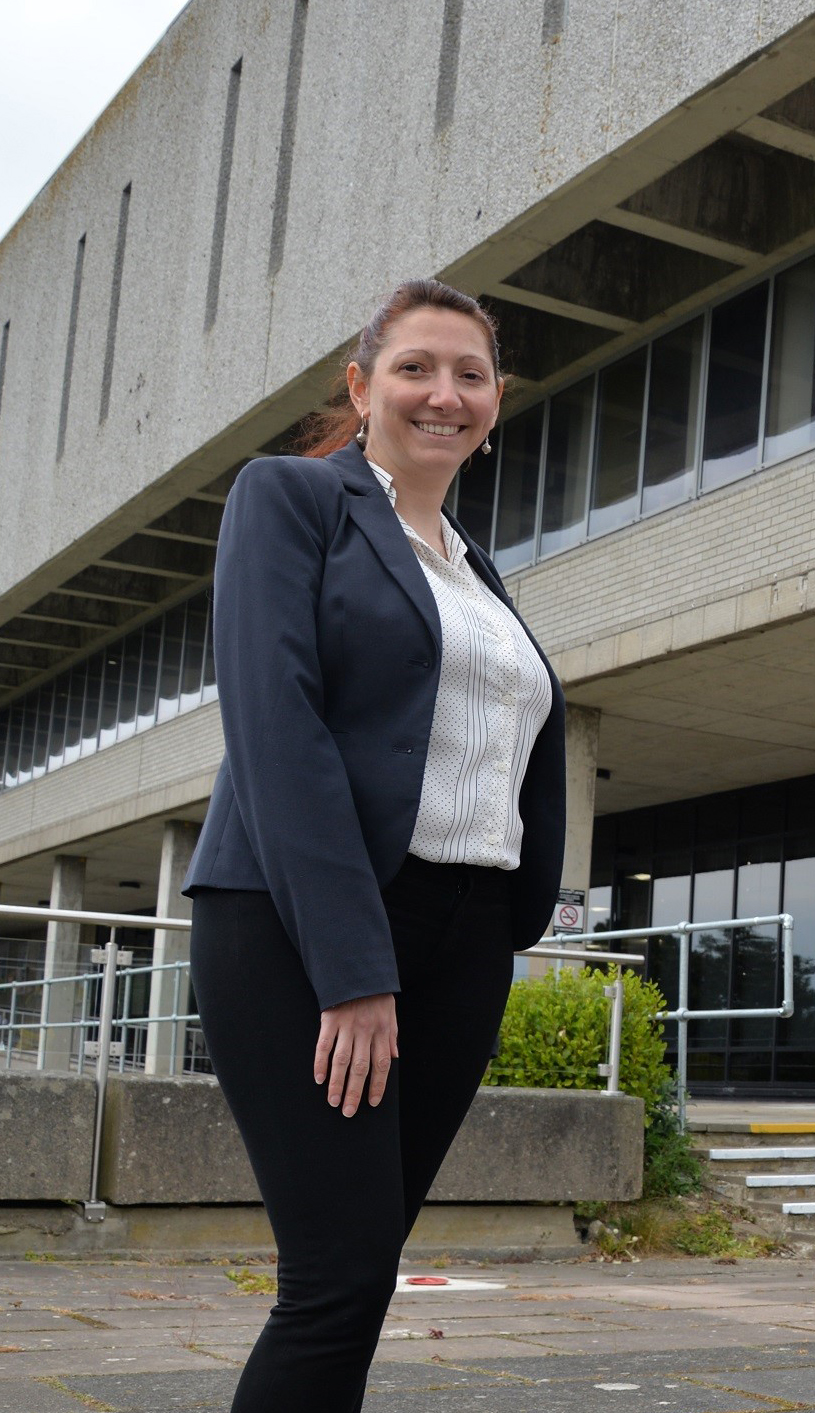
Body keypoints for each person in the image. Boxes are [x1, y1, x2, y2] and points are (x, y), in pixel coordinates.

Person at [184, 279, 567, 1412]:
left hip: (465, 935)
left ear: (497, 399)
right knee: (335, 1280)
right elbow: (277, 730)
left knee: (359, 1277)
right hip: (313, 926)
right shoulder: (292, 500)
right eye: (415, 368)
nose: (443, 395)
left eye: (470, 374)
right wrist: (355, 968)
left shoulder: (476, 568)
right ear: (361, 387)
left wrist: (498, 928)